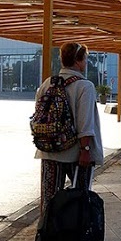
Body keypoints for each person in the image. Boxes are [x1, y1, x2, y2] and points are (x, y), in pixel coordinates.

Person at [34, 42, 103, 216]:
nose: (86, 63)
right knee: (80, 198)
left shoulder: (47, 84)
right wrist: (86, 150)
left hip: (49, 151)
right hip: (76, 154)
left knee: (49, 199)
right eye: (85, 59)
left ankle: (47, 234)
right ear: (78, 61)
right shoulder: (84, 86)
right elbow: (85, 123)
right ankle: (77, 235)